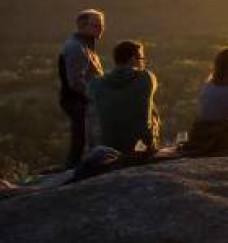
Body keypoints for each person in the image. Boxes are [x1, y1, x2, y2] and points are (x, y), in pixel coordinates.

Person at [87, 40, 159, 156]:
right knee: (152, 109)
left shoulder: (96, 84)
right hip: (140, 148)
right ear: (132, 59)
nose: (143, 63)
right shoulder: (147, 78)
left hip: (109, 147)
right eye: (141, 58)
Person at [57, 9, 105, 168]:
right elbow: (76, 81)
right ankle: (74, 170)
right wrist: (94, 96)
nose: (101, 28)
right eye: (96, 25)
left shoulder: (84, 45)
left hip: (81, 100)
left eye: (102, 25)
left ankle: (76, 168)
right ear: (82, 25)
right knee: (82, 138)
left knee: (83, 137)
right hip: (78, 100)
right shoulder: (76, 48)